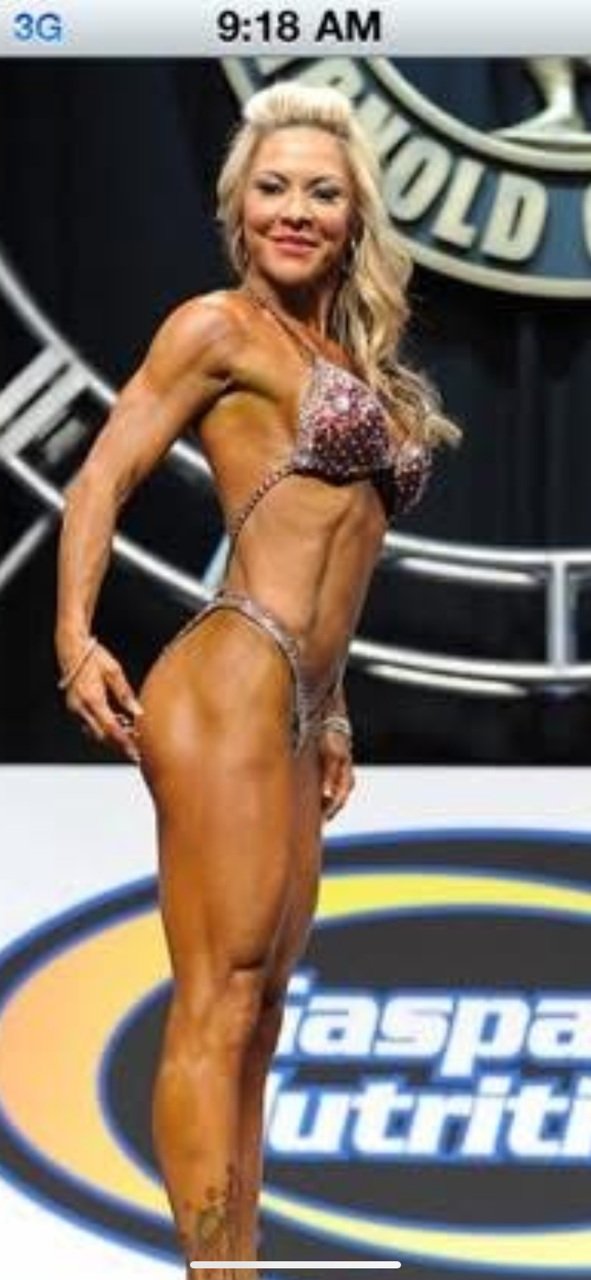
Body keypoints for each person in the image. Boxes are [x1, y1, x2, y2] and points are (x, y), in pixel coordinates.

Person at [54, 81, 459, 1279]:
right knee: (219, 994)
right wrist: (75, 633)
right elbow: (100, 479)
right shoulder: (215, 327)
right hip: (228, 675)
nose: (296, 211)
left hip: (295, 702)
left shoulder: (346, 356)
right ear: (239, 207)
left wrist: (332, 709)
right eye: (273, 188)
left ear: (355, 216)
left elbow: (340, 553)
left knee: (265, 1009)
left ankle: (240, 1261)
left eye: (321, 193)